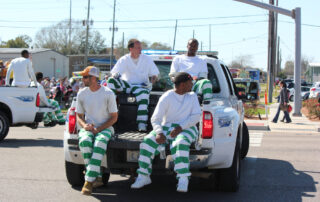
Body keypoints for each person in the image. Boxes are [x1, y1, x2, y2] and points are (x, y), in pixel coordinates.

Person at [131, 72, 201, 193]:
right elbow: (155, 118)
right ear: (183, 84)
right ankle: (143, 176)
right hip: (166, 127)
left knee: (180, 143)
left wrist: (180, 127)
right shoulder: (167, 96)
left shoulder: (192, 96)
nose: (192, 85)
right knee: (147, 142)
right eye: (190, 83)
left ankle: (183, 178)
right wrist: (158, 132)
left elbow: (196, 116)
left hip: (187, 128)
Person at [76, 66, 118, 195]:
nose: (83, 79)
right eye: (83, 77)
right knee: (84, 141)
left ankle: (88, 181)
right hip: (88, 127)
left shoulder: (108, 93)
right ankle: (97, 176)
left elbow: (114, 118)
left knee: (100, 142)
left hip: (106, 128)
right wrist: (85, 126)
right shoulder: (82, 93)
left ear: (94, 78)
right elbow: (79, 116)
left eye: (85, 77)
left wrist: (99, 129)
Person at [107, 39, 159, 132]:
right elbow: (114, 73)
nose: (140, 50)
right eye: (138, 48)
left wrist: (152, 79)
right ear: (131, 49)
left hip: (141, 87)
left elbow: (154, 75)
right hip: (128, 86)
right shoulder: (124, 59)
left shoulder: (147, 59)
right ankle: (110, 112)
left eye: (140, 48)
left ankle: (142, 123)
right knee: (111, 81)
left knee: (143, 95)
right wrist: (114, 76)